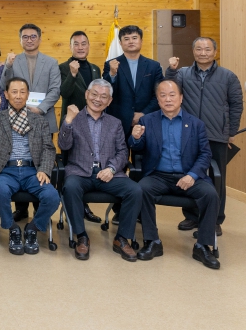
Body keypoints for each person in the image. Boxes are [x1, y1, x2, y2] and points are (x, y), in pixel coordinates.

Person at [129, 79, 220, 269]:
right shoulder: (147, 121)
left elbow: (205, 154)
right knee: (141, 189)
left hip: (188, 175)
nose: (168, 99)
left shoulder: (196, 124)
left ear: (181, 98)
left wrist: (192, 175)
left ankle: (203, 246)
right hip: (158, 175)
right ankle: (152, 241)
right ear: (157, 99)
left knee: (210, 194)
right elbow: (137, 148)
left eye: (172, 95)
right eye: (163, 95)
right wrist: (135, 137)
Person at [166, 37, 243, 236]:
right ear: (193, 51)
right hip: (189, 134)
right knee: (189, 175)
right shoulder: (183, 74)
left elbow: (236, 105)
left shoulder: (228, 76)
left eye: (207, 49)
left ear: (215, 52)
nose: (203, 53)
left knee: (217, 178)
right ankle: (191, 216)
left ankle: (215, 219)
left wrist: (231, 132)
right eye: (199, 49)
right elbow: (170, 88)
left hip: (217, 135)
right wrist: (171, 70)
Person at [59, 79, 141, 261]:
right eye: (94, 94)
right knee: (70, 187)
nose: (98, 99)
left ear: (109, 101)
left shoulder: (115, 123)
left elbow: (122, 152)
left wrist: (111, 169)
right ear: (86, 94)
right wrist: (68, 120)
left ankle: (121, 238)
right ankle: (81, 236)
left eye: (103, 96)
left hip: (108, 174)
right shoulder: (73, 118)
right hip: (79, 172)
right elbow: (63, 145)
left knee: (135, 190)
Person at [0, 77, 59, 256]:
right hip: (6, 171)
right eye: (14, 92)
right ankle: (13, 229)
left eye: (22, 92)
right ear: (6, 95)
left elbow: (49, 148)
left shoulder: (39, 120)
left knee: (52, 196)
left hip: (32, 171)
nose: (18, 96)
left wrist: (44, 169)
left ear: (28, 95)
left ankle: (33, 228)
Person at [0, 23, 61, 222]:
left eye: (33, 36)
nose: (29, 40)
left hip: (43, 118)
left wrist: (40, 109)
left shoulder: (51, 62)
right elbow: (3, 85)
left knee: (39, 160)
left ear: (40, 39)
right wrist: (8, 66)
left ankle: (40, 208)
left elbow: (55, 90)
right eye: (25, 37)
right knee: (21, 157)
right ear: (20, 40)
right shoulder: (13, 61)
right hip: (17, 116)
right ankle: (21, 209)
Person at [59, 31, 103, 224]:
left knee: (88, 166)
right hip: (72, 124)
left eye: (84, 43)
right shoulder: (63, 67)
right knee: (71, 167)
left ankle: (84, 206)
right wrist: (72, 74)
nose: (80, 47)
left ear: (88, 46)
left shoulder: (95, 69)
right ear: (70, 47)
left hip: (93, 124)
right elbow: (64, 92)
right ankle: (70, 207)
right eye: (76, 44)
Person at [103, 25, 163, 140]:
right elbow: (106, 93)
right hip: (118, 123)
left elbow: (159, 95)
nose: (131, 41)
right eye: (126, 39)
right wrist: (112, 74)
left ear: (141, 41)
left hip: (146, 122)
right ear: (120, 43)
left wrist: (143, 114)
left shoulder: (154, 66)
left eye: (134, 38)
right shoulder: (110, 64)